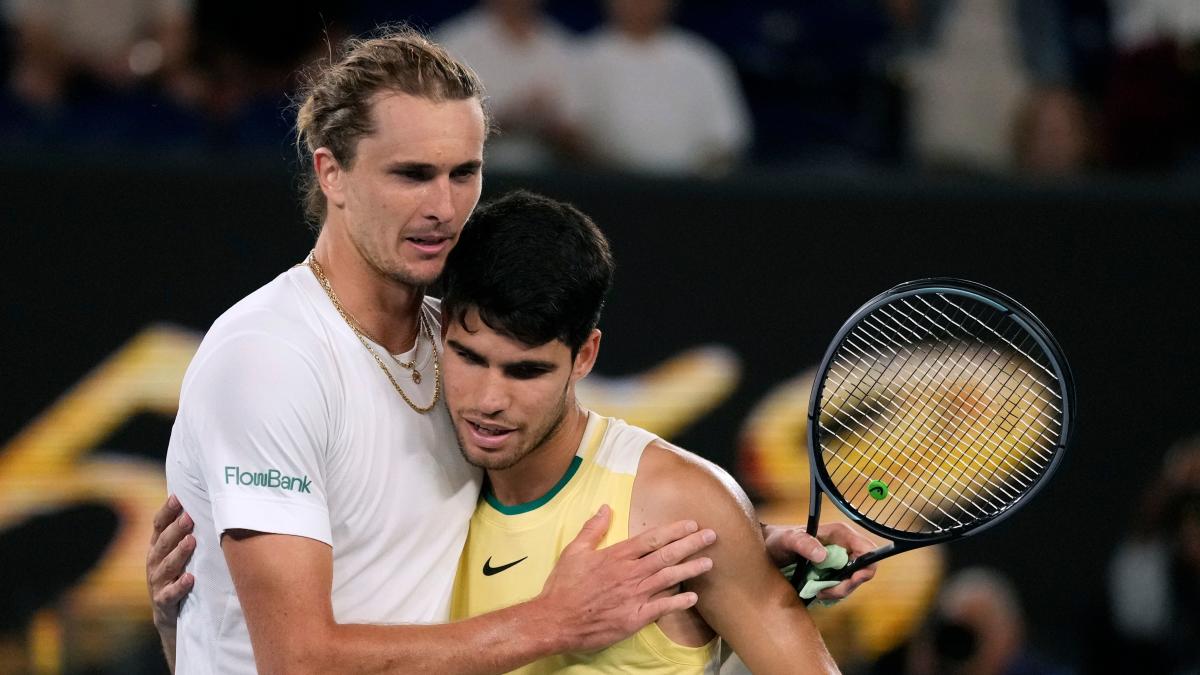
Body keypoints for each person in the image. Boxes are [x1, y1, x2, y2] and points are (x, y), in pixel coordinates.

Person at [144, 26, 874, 674]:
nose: (443, 206)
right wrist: (552, 623)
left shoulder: (453, 341)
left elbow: (556, 483)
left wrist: (734, 553)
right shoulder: (272, 357)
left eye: (465, 173)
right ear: (331, 172)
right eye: (411, 174)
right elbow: (296, 661)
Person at [441, 190, 841, 673]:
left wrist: (743, 542)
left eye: (526, 372)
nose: (488, 401)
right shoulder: (418, 464)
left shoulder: (676, 502)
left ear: (585, 356)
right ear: (440, 326)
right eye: (468, 357)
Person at [571, 0, 753, 175]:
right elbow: (574, 132)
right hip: (608, 190)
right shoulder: (584, 58)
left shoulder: (700, 58)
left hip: (687, 193)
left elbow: (727, 138)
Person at [435, 0, 585, 171]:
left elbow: (580, 142)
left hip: (546, 180)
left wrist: (550, 124)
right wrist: (506, 119)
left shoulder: (563, 49)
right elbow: (438, 132)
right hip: (475, 177)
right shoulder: (454, 44)